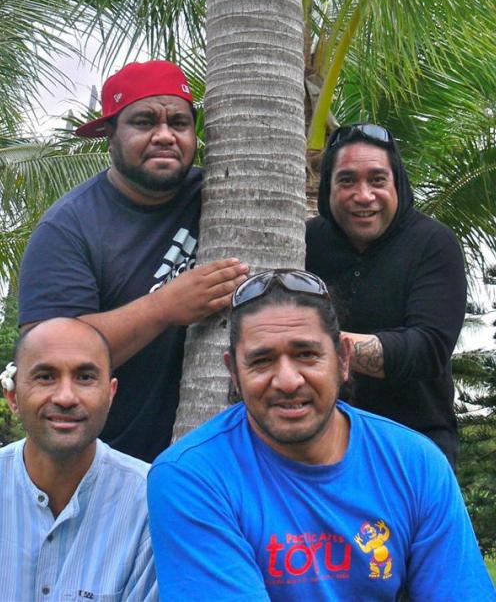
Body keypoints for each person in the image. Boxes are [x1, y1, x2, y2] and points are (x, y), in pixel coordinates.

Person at [147, 270, 494, 600]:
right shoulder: (192, 476)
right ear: (233, 373)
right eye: (261, 361)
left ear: (343, 360)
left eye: (306, 355)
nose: (287, 380)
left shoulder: (414, 463)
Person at [18, 59, 248, 462]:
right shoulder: (69, 228)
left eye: (178, 123)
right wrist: (164, 308)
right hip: (111, 461)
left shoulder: (226, 194)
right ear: (110, 135)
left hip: (221, 456)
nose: (164, 135)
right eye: (144, 122)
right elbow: (44, 357)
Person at [305, 123, 467, 467]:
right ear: (327, 189)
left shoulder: (433, 243)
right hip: (316, 447)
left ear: (398, 184)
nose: (363, 196)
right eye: (346, 180)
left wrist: (311, 345)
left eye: (377, 180)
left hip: (414, 447)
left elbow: (427, 349)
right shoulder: (304, 242)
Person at [0, 317, 158, 601]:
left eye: (84, 377)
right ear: (13, 396)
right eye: (45, 377)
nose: (65, 397)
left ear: (110, 395)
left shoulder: (149, 502)